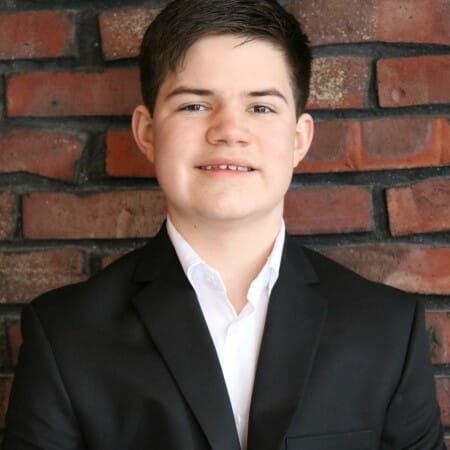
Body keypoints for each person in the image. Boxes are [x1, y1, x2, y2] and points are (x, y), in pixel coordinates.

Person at [3, 0, 445, 449]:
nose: (229, 130)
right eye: (195, 105)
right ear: (147, 133)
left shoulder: (386, 329)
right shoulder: (65, 333)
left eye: (261, 108)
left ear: (299, 139)